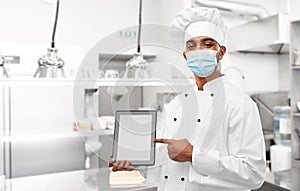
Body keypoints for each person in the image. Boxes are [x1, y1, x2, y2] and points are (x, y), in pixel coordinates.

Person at [109, 7, 266, 191]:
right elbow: (166, 161)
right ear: (185, 55)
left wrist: (194, 155)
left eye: (207, 44)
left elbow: (254, 173)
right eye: (191, 46)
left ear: (221, 52)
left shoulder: (240, 104)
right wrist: (137, 163)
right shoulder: (177, 103)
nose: (198, 51)